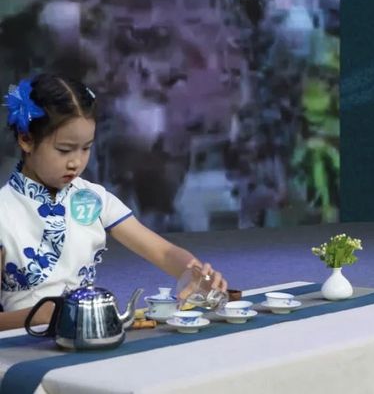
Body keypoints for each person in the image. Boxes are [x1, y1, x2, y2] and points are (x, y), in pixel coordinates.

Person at [0, 74, 227, 330]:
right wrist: (37, 315)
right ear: (26, 139)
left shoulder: (91, 198)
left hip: (88, 333)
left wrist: (194, 274)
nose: (76, 162)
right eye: (64, 150)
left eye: (86, 148)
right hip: (20, 345)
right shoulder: (3, 213)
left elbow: (163, 252)